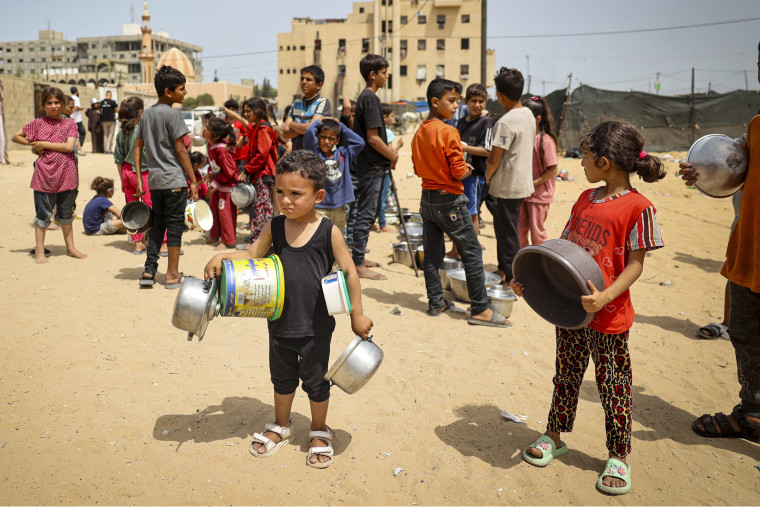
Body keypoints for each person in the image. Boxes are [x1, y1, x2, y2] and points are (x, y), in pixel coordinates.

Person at [511, 120, 666, 495]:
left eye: (584, 157)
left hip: (609, 316)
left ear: (605, 161)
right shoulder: (584, 198)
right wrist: (529, 279)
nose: (580, 164)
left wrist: (605, 297)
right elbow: (563, 250)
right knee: (565, 375)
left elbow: (635, 265)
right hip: (571, 311)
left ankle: (618, 455)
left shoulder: (638, 208)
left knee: (613, 384)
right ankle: (554, 435)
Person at [203, 150, 373, 469]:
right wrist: (223, 256)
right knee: (281, 379)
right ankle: (282, 425)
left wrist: (357, 314)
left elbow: (350, 271)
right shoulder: (275, 226)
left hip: (316, 326)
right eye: (279, 191)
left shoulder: (328, 232)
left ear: (318, 195)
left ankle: (319, 430)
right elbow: (253, 254)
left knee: (316, 381)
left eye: (296, 193)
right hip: (279, 322)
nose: (286, 200)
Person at [679, 42, 760, 443]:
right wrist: (704, 172)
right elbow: (735, 171)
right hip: (750, 251)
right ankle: (753, 415)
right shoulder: (757, 127)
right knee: (745, 333)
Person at [412, 78, 508, 327]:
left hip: (427, 199)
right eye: (452, 101)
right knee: (472, 251)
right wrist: (465, 168)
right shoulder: (448, 131)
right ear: (435, 102)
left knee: (433, 256)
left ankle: (436, 302)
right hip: (449, 200)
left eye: (457, 101)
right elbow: (456, 171)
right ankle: (480, 309)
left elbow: (418, 166)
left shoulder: (420, 131)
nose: (456, 106)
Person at [134, 65, 199, 289]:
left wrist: (140, 180)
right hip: (174, 181)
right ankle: (172, 275)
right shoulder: (173, 114)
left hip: (155, 181)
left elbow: (137, 146)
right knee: (173, 227)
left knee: (157, 225)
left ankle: (149, 272)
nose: (185, 93)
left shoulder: (147, 115)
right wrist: (193, 180)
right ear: (168, 91)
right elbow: (181, 150)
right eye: (182, 89)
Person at [11, 86, 87, 263]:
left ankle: (70, 248)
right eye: (49, 103)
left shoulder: (69, 123)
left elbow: (69, 147)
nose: (53, 106)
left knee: (66, 212)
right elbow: (16, 136)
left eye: (57, 102)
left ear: (62, 103)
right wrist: (33, 145)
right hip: (44, 175)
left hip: (67, 174)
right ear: (44, 105)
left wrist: (44, 144)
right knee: (43, 213)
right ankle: (39, 251)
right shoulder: (38, 123)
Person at [485, 67, 536, 284]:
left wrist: (488, 177)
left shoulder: (506, 122)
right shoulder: (528, 114)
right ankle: (504, 269)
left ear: (500, 95)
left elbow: (495, 158)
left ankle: (514, 279)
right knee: (507, 229)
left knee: (507, 233)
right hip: (521, 184)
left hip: (506, 186)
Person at [351, 54, 398, 280]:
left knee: (367, 214)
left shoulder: (369, 98)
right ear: (373, 75)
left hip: (372, 165)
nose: (386, 76)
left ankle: (358, 257)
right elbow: (373, 138)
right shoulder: (369, 99)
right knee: (366, 214)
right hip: (370, 166)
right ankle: (358, 264)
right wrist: (393, 156)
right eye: (383, 72)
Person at [447, 83, 494, 259]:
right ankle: (455, 250)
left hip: (474, 176)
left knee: (472, 213)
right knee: (457, 212)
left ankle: (470, 252)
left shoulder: (486, 121)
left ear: (485, 102)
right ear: (466, 101)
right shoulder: (461, 122)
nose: (477, 105)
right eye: (474, 101)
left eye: (481, 101)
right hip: (458, 174)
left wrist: (465, 148)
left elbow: (486, 150)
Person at [303, 118, 365, 234]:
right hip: (320, 207)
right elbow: (309, 133)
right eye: (323, 137)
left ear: (337, 141)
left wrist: (341, 126)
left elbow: (360, 142)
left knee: (338, 236)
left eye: (331, 139)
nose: (326, 141)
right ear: (318, 137)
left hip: (339, 208)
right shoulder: (314, 154)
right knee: (319, 237)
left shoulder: (343, 154)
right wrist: (318, 122)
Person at [519, 95, 559, 247]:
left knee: (537, 233)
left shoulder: (546, 141)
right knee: (520, 230)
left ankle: (539, 265)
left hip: (539, 195)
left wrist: (533, 184)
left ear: (537, 119)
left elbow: (552, 170)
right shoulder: (523, 138)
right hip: (523, 193)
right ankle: (522, 262)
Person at [114, 96, 151, 254]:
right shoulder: (143, 132)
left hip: (126, 173)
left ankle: (137, 244)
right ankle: (153, 240)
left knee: (132, 208)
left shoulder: (121, 133)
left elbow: (118, 158)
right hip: (142, 174)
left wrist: (122, 179)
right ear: (140, 112)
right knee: (149, 207)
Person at [203, 117, 239, 249]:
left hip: (226, 186)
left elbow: (229, 172)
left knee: (225, 213)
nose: (204, 129)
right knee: (213, 209)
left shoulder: (222, 150)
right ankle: (214, 235)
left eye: (208, 128)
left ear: (216, 135)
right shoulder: (210, 144)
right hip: (218, 184)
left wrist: (216, 181)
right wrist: (210, 173)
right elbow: (214, 164)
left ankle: (227, 240)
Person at [282, 65, 331, 151]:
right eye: (302, 79)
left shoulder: (323, 102)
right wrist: (305, 128)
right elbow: (285, 133)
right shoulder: (296, 103)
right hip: (296, 156)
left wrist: (292, 125)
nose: (304, 82)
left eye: (308, 79)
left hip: (313, 156)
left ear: (319, 85)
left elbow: (311, 129)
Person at [372, 104, 403, 233]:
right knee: (382, 197)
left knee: (373, 198)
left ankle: (372, 222)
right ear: (384, 117)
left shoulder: (375, 131)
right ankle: (383, 225)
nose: (393, 118)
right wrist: (398, 146)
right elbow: (391, 154)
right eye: (391, 116)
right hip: (384, 170)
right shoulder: (387, 132)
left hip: (373, 169)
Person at [69, 86, 86, 156]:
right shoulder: (76, 98)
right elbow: (75, 108)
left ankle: (75, 147)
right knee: (82, 132)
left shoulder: (70, 97)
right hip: (77, 119)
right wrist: (81, 108)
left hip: (72, 118)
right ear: (76, 91)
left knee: (74, 134)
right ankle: (78, 148)